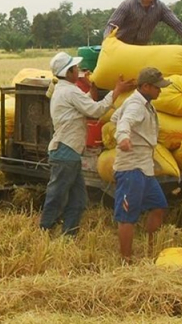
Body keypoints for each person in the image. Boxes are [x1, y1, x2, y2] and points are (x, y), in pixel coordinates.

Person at [39, 52, 133, 236]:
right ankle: (44, 229)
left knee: (79, 200)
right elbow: (95, 110)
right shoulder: (69, 91)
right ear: (68, 73)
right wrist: (117, 91)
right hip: (66, 151)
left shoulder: (63, 89)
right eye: (76, 69)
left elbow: (83, 103)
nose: (79, 71)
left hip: (69, 152)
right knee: (57, 195)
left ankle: (69, 236)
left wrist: (93, 89)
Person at [112, 67, 172, 262]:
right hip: (131, 168)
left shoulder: (143, 103)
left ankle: (150, 249)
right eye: (157, 87)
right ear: (145, 86)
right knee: (127, 215)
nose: (160, 91)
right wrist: (123, 137)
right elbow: (124, 122)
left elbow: (116, 118)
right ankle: (126, 259)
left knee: (159, 206)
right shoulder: (136, 105)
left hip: (144, 167)